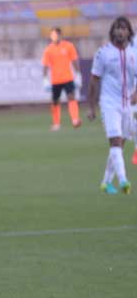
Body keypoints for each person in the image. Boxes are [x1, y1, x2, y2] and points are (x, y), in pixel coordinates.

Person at [86, 16, 136, 194]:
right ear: (112, 32)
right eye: (117, 28)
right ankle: (123, 180)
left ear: (129, 32)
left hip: (126, 105)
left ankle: (106, 182)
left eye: (123, 28)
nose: (120, 31)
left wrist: (135, 95)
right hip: (108, 103)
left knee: (120, 144)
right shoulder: (104, 53)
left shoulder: (133, 53)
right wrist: (91, 107)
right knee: (115, 141)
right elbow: (93, 80)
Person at [42, 27, 81, 131]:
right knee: (55, 101)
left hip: (68, 78)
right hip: (55, 80)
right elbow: (45, 65)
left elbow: (74, 60)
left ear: (60, 35)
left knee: (71, 97)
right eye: (52, 35)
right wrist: (45, 78)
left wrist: (78, 74)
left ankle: (75, 119)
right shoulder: (48, 49)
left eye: (56, 35)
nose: (54, 37)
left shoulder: (68, 46)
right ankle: (56, 123)